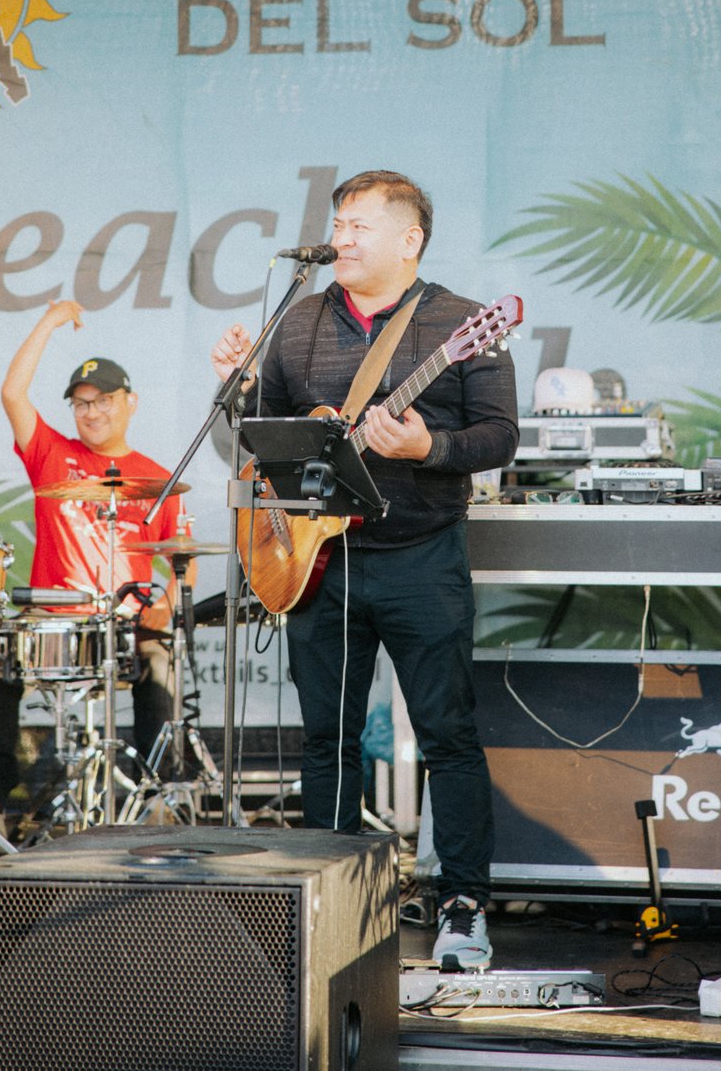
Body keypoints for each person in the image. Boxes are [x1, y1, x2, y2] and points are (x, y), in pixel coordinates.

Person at [210, 169, 519, 969]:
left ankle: (461, 907)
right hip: (323, 563)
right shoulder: (302, 318)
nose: (340, 238)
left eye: (358, 226)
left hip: (422, 559)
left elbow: (499, 436)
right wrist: (235, 388)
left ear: (408, 240)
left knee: (448, 736)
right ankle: (332, 904)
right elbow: (264, 438)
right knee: (328, 741)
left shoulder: (459, 323)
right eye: (337, 224)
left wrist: (428, 447)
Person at [0, 300, 192, 842]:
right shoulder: (52, 454)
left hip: (122, 625)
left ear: (130, 402)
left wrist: (169, 598)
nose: (92, 412)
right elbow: (12, 395)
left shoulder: (157, 479)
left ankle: (156, 798)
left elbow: (183, 562)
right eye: (81, 404)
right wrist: (47, 322)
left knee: (158, 658)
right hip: (54, 618)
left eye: (104, 401)